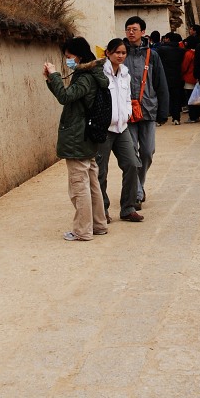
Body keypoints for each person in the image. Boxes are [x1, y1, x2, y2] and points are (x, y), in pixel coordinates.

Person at [44, 37, 110, 242]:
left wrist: (53, 75)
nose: (68, 61)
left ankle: (82, 230)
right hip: (88, 135)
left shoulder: (84, 78)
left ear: (79, 55)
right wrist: (51, 80)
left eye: (69, 57)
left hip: (77, 135)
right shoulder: (94, 73)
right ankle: (99, 225)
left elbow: (66, 97)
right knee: (92, 183)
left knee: (78, 185)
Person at [123, 16, 169, 206]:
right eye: (128, 29)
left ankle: (139, 184)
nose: (131, 32)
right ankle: (137, 192)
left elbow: (161, 84)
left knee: (148, 151)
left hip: (148, 109)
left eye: (134, 29)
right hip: (127, 112)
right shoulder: (120, 54)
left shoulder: (153, 55)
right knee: (132, 152)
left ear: (143, 32)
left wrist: (164, 111)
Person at [97, 39, 144, 223]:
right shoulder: (101, 73)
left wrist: (127, 114)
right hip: (104, 129)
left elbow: (127, 98)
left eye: (123, 53)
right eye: (117, 52)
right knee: (101, 170)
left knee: (132, 164)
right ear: (108, 53)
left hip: (122, 127)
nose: (121, 56)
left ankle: (128, 207)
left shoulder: (125, 73)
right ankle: (102, 210)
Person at [155, 32, 185, 125]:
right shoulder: (181, 51)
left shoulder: (161, 49)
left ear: (168, 39)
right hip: (177, 77)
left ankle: (160, 119)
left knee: (161, 98)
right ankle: (176, 118)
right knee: (176, 98)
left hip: (164, 77)